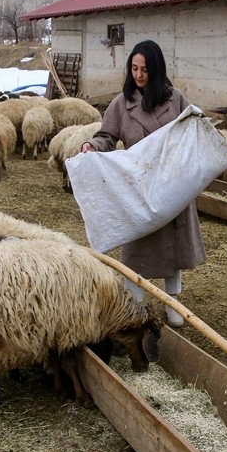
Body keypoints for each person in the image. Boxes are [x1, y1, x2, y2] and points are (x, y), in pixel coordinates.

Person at [80, 39, 204, 328]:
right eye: (134, 68)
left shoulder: (176, 100)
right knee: (137, 247)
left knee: (172, 249)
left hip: (173, 186)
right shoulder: (122, 104)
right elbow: (106, 136)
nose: (138, 75)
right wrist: (92, 146)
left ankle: (173, 302)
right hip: (139, 189)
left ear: (156, 69)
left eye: (144, 69)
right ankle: (134, 302)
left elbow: (193, 132)